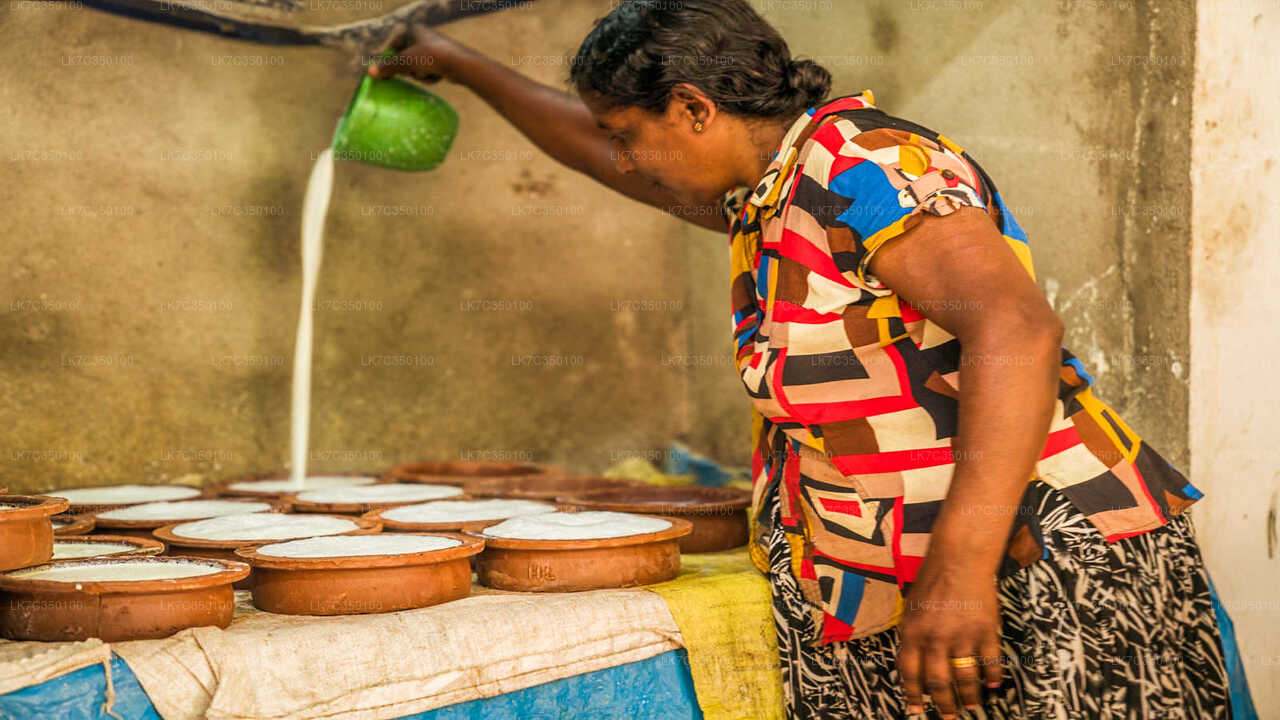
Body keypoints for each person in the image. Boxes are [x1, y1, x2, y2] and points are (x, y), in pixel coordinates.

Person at [368, 1, 1232, 718]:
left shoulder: (866, 163)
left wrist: (961, 573)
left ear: (696, 107)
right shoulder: (768, 191)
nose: (621, 157)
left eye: (628, 131)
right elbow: (598, 156)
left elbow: (1016, 330)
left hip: (1031, 560)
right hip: (889, 563)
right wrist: (459, 63)